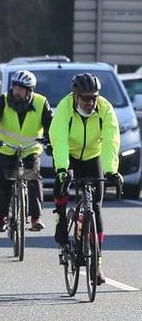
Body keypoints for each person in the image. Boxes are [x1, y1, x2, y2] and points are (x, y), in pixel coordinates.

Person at [49, 73, 120, 285]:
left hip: (92, 155)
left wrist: (111, 171)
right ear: (76, 96)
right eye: (86, 98)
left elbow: (111, 140)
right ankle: (61, 219)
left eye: (94, 98)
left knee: (95, 206)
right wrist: (62, 168)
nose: (90, 102)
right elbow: (59, 139)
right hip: (68, 154)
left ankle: (96, 263)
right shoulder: (64, 108)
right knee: (62, 185)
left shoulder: (105, 109)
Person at [0, 70, 52, 233]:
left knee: (33, 179)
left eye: (21, 89)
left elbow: (50, 126)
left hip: (30, 149)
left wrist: (50, 140)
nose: (16, 91)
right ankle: (1, 218)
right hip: (5, 148)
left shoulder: (41, 102)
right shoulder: (3, 101)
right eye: (15, 87)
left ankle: (35, 219)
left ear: (29, 91)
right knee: (4, 183)